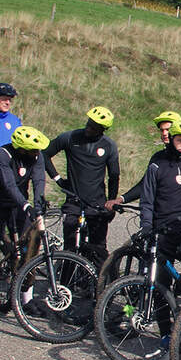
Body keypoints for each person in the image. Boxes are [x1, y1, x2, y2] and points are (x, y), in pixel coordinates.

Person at [109, 119, 181, 304]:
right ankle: (165, 331)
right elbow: (147, 199)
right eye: (180, 141)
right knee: (160, 283)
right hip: (163, 230)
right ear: (173, 138)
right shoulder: (157, 164)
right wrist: (146, 227)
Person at [0, 125, 50, 319]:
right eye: (33, 149)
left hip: (20, 205)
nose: (37, 152)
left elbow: (39, 180)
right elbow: (9, 184)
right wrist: (26, 205)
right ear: (21, 148)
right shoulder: (3, 154)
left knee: (30, 250)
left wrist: (38, 203)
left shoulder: (36, 155)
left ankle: (27, 299)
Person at [44, 106, 120, 254]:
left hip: (97, 203)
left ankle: (101, 277)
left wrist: (111, 202)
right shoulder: (70, 137)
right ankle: (67, 277)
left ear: (102, 129)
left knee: (98, 249)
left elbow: (114, 176)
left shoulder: (109, 145)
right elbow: (45, 154)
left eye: (94, 127)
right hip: (74, 202)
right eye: (89, 123)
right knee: (70, 249)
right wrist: (58, 179)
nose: (89, 128)